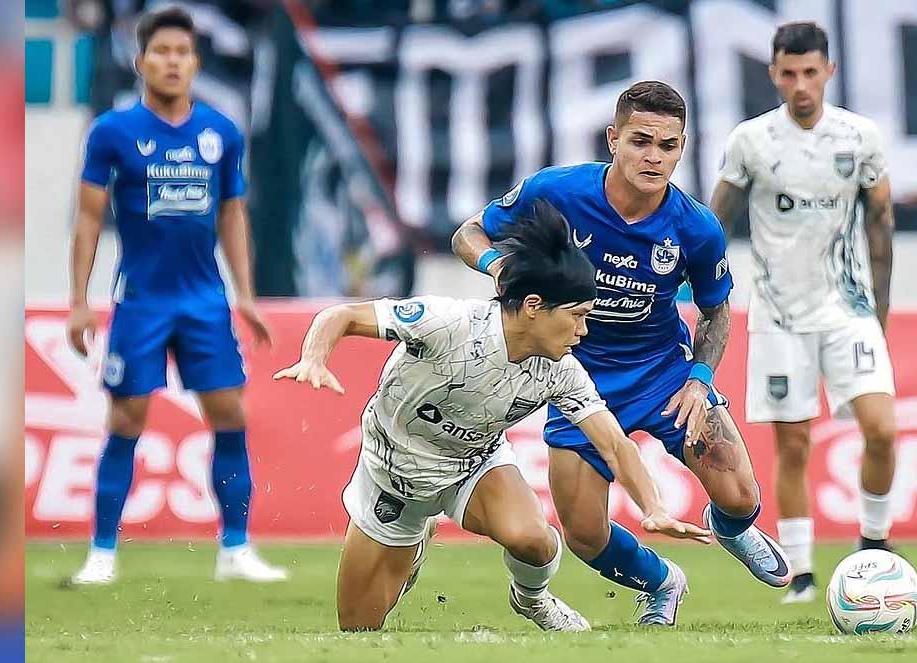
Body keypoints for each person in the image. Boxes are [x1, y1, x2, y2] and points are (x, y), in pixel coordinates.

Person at [275, 200, 710, 632]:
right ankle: (417, 535)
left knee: (534, 541)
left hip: (472, 465)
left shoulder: (561, 369)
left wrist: (653, 506)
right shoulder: (448, 324)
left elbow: (614, 443)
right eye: (577, 317)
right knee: (357, 628)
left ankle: (533, 600)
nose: (583, 331)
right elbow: (342, 315)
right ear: (535, 306)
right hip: (393, 476)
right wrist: (314, 358)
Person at [451, 81, 792, 627]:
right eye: (640, 141)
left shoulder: (695, 228)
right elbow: (467, 233)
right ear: (613, 139)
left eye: (668, 145)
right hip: (573, 378)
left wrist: (700, 379)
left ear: (683, 148)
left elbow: (717, 311)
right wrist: (499, 267)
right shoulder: (558, 192)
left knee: (741, 495)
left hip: (662, 374)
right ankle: (662, 582)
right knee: (584, 535)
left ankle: (730, 530)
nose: (653, 157)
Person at [67, 7, 285, 585]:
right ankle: (102, 552)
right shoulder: (112, 133)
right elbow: (89, 219)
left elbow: (233, 215)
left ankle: (236, 549)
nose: (171, 62)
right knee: (127, 417)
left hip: (204, 301)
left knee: (229, 412)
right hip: (141, 299)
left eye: (182, 53)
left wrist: (246, 294)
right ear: (140, 62)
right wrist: (79, 299)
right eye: (160, 52)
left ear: (195, 62)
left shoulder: (221, 133)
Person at [708, 21, 899, 604]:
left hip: (849, 311)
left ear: (828, 72)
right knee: (793, 444)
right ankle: (802, 573)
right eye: (788, 74)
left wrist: (881, 315)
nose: (800, 85)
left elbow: (881, 224)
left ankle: (874, 543)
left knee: (882, 430)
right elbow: (714, 226)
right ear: (774, 74)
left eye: (810, 72)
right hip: (778, 316)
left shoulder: (860, 137)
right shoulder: (751, 142)